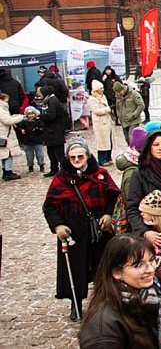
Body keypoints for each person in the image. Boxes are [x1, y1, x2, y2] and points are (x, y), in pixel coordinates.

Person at [43, 137, 120, 321]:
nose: (77, 160)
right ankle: (75, 302)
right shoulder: (61, 179)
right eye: (73, 157)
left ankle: (105, 302)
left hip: (99, 230)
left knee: (103, 267)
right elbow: (50, 206)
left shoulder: (100, 174)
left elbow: (113, 196)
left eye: (80, 156)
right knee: (76, 270)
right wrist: (58, 225)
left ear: (87, 155)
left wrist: (109, 215)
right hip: (74, 231)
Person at [78, 234, 161, 348]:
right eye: (138, 265)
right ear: (116, 272)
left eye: (151, 260)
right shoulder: (102, 327)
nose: (150, 269)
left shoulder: (157, 296)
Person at [40, 93, 70, 177]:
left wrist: (40, 116)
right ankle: (54, 169)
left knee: (59, 153)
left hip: (55, 132)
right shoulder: (50, 101)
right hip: (51, 132)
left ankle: (64, 169)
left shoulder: (52, 102)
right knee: (51, 152)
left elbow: (51, 116)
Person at [87, 80, 114, 166]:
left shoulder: (103, 97)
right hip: (100, 123)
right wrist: (108, 109)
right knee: (102, 142)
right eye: (100, 88)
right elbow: (96, 111)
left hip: (107, 121)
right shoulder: (92, 99)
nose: (102, 89)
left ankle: (108, 157)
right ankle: (102, 159)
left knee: (109, 141)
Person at [0, 93, 25, 180]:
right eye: (6, 100)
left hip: (3, 135)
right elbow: (7, 121)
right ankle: (8, 172)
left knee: (4, 154)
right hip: (5, 135)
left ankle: (5, 171)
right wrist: (21, 117)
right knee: (8, 154)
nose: (8, 102)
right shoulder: (1, 110)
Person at [18, 106, 46, 173]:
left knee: (40, 154)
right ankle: (30, 166)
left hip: (37, 140)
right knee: (29, 155)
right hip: (28, 140)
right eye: (29, 114)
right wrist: (22, 130)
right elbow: (20, 128)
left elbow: (42, 128)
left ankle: (41, 165)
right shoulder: (24, 122)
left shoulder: (38, 121)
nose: (31, 115)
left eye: (32, 114)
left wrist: (39, 129)